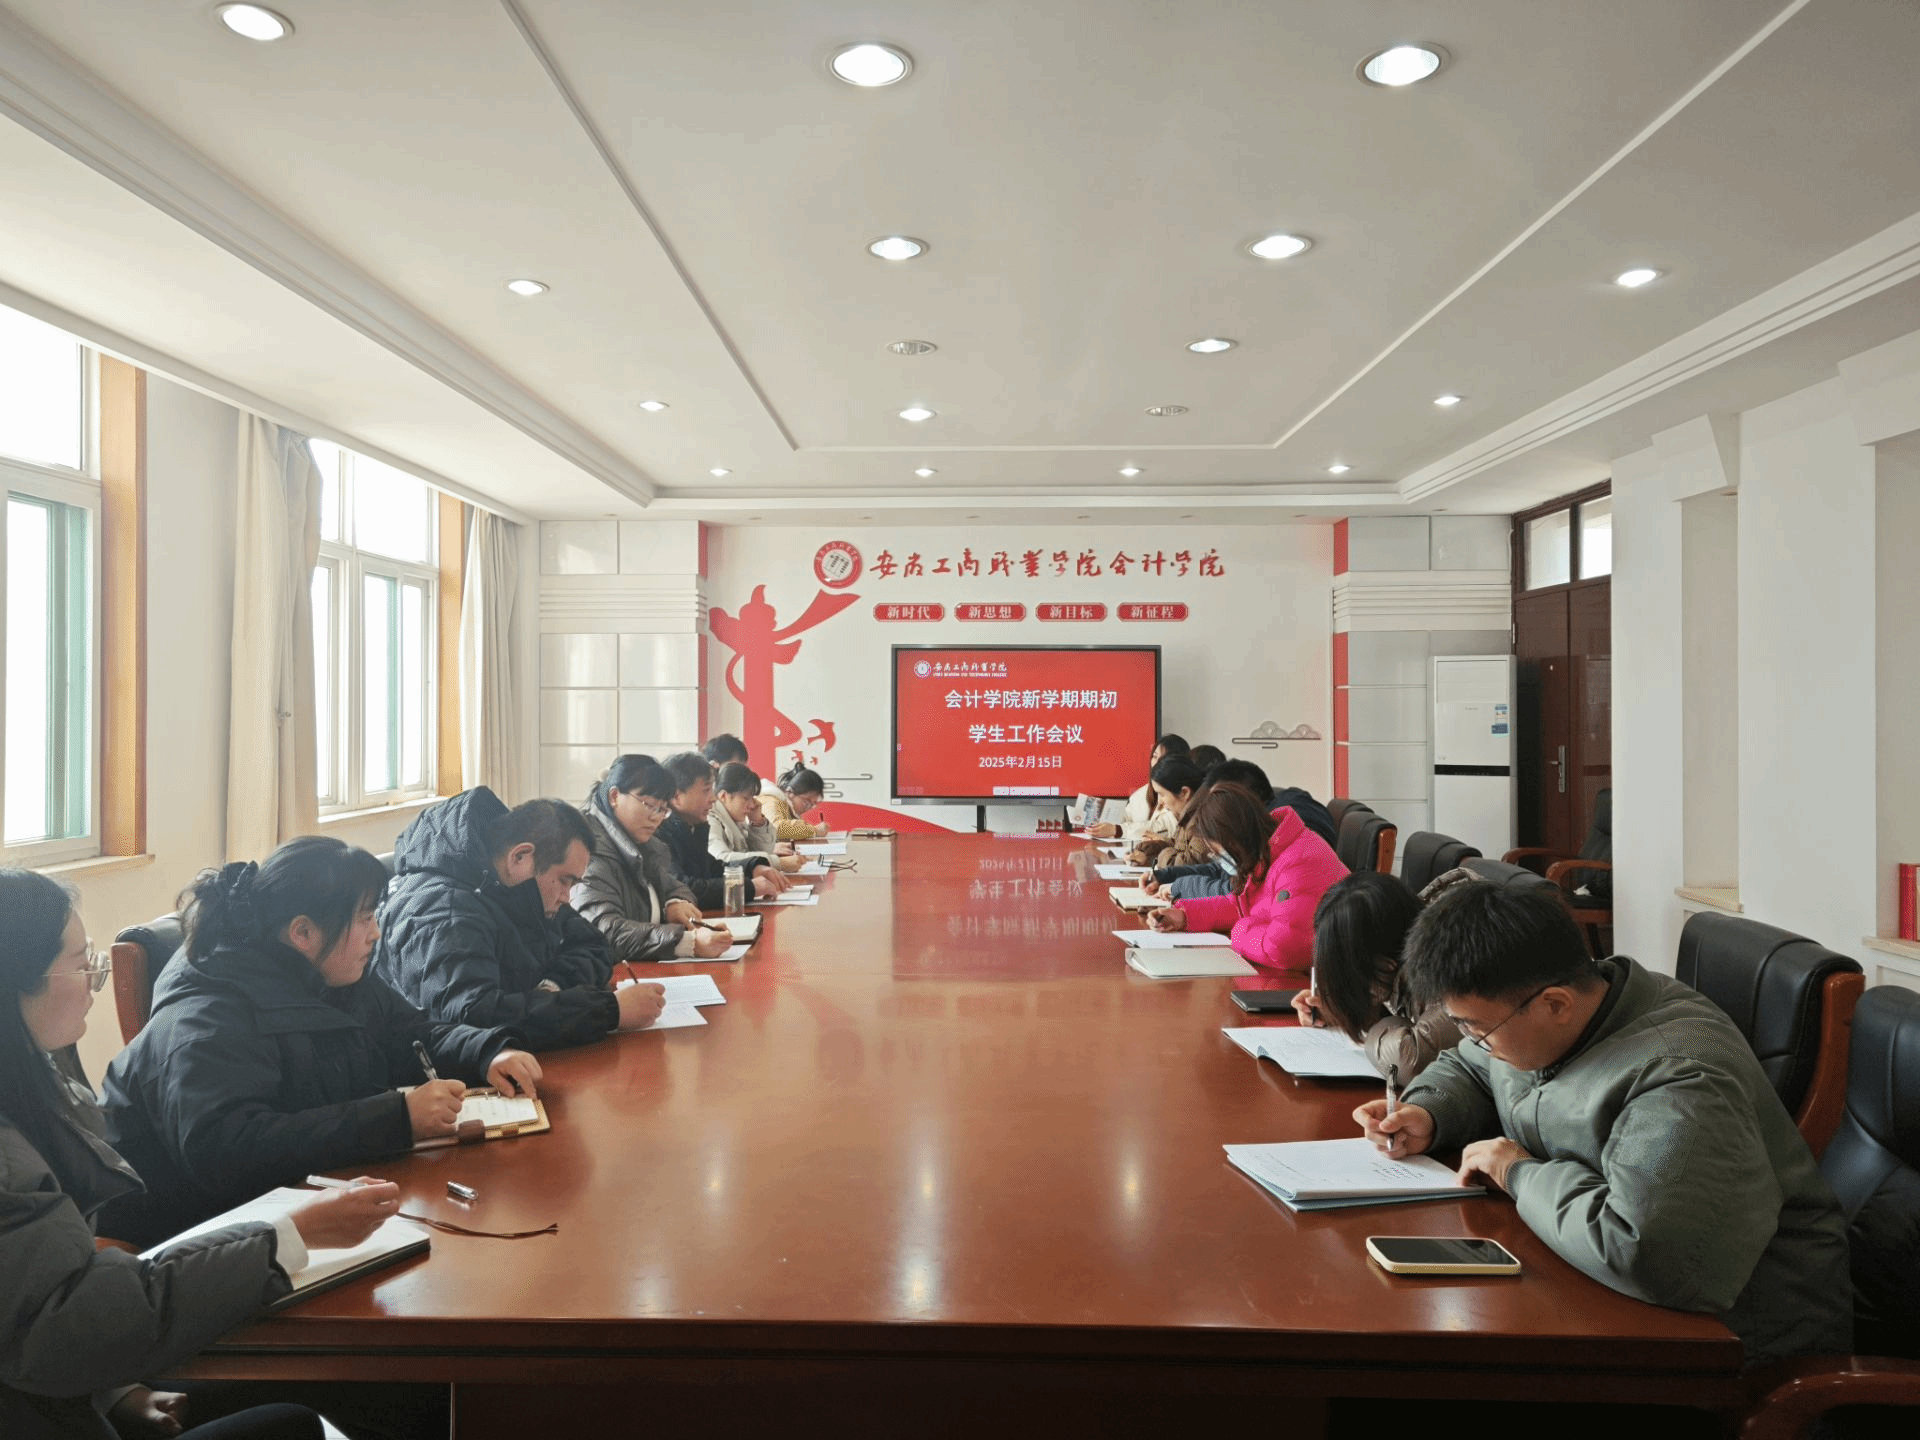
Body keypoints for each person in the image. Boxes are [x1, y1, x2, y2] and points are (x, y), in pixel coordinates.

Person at [1355, 881, 1853, 1365]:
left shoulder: (1682, 1077)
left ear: (1556, 1004)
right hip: (1595, 1290)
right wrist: (1428, 1112)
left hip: (1730, 1347)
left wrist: (1518, 1172)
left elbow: (1644, 1252)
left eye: (1480, 1029)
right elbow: (1472, 1065)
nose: (1474, 1040)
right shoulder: (1553, 1013)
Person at [0, 867, 396, 1440]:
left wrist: (116, 1395)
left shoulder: (35, 1082)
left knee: (335, 1389)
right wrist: (287, 1237)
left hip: (70, 1391)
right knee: (298, 1419)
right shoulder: (205, 1014)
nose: (95, 979)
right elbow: (61, 1328)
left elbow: (30, 1308)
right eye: (82, 961)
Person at [100, 838, 545, 1241]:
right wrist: (397, 1117)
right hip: (197, 1239)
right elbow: (229, 1150)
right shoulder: (206, 1017)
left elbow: (407, 1033)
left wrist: (486, 1051)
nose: (376, 932)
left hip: (307, 1204)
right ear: (303, 933)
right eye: (365, 918)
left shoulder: (329, 972)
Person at [372, 789, 665, 1049]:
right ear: (520, 857)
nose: (567, 897)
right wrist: (607, 1011)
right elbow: (474, 1017)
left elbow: (594, 945)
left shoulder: (518, 887)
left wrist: (551, 987)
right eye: (565, 880)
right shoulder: (442, 913)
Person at [1146, 782, 1347, 977]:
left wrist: (1240, 931)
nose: (1218, 859)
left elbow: (1283, 949)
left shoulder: (1297, 862)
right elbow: (1241, 905)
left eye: (1217, 851)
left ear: (1233, 840)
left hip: (1329, 982)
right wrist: (1184, 916)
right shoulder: (1266, 853)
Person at [1289, 871, 1460, 1081]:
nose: (1343, 982)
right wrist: (1344, 1008)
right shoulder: (1401, 946)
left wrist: (1360, 1016)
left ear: (1385, 964)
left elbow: (1408, 1061)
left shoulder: (1450, 971)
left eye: (1345, 974)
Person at [574, 754, 733, 964]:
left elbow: (676, 886)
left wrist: (674, 903)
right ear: (614, 796)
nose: (656, 817)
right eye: (649, 805)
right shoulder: (589, 852)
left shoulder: (644, 844)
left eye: (662, 809)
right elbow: (604, 931)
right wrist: (686, 942)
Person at [656, 752, 786, 907]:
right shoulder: (659, 834)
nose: (713, 798)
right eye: (706, 790)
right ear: (677, 797)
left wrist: (752, 868)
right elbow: (683, 888)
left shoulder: (693, 826)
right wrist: (748, 887)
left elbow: (713, 868)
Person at [1088, 733, 1189, 842]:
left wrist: (1118, 830)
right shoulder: (1142, 792)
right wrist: (1101, 816)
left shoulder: (1179, 795)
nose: (1156, 763)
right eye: (1154, 756)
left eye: (1163, 759)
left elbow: (1162, 827)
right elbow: (1127, 817)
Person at [709, 763, 803, 873]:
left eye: (752, 798)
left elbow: (764, 851)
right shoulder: (710, 820)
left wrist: (758, 822)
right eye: (745, 798)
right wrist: (777, 863)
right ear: (724, 796)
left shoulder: (735, 817)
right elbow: (721, 859)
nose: (752, 805)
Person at [1126, 754, 1206, 866]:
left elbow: (1186, 864)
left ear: (1184, 793)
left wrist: (1152, 859)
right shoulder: (1188, 815)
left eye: (1162, 795)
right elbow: (1181, 847)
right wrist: (1150, 850)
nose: (1160, 802)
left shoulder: (1203, 820)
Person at [761, 764, 829, 842]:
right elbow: (776, 828)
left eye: (812, 804)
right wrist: (814, 830)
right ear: (790, 792)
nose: (808, 807)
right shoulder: (771, 799)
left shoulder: (788, 808)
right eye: (806, 801)